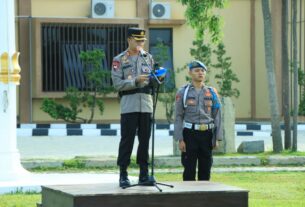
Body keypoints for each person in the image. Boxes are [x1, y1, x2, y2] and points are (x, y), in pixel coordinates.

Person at [111, 27, 155, 188]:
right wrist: (134, 81)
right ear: (129, 39)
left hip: (146, 105)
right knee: (127, 140)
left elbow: (152, 80)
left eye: (142, 41)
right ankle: (123, 173)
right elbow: (117, 84)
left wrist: (158, 79)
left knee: (144, 141)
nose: (140, 43)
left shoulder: (148, 58)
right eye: (137, 40)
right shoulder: (119, 60)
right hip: (129, 105)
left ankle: (144, 173)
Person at [174, 60, 222, 181]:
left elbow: (217, 115)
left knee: (206, 169)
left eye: (202, 71)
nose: (200, 73)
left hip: (207, 134)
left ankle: (204, 198)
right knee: (189, 168)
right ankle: (188, 197)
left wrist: (217, 137)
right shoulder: (183, 92)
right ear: (190, 73)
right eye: (196, 71)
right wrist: (180, 139)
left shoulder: (212, 92)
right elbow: (179, 116)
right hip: (190, 134)